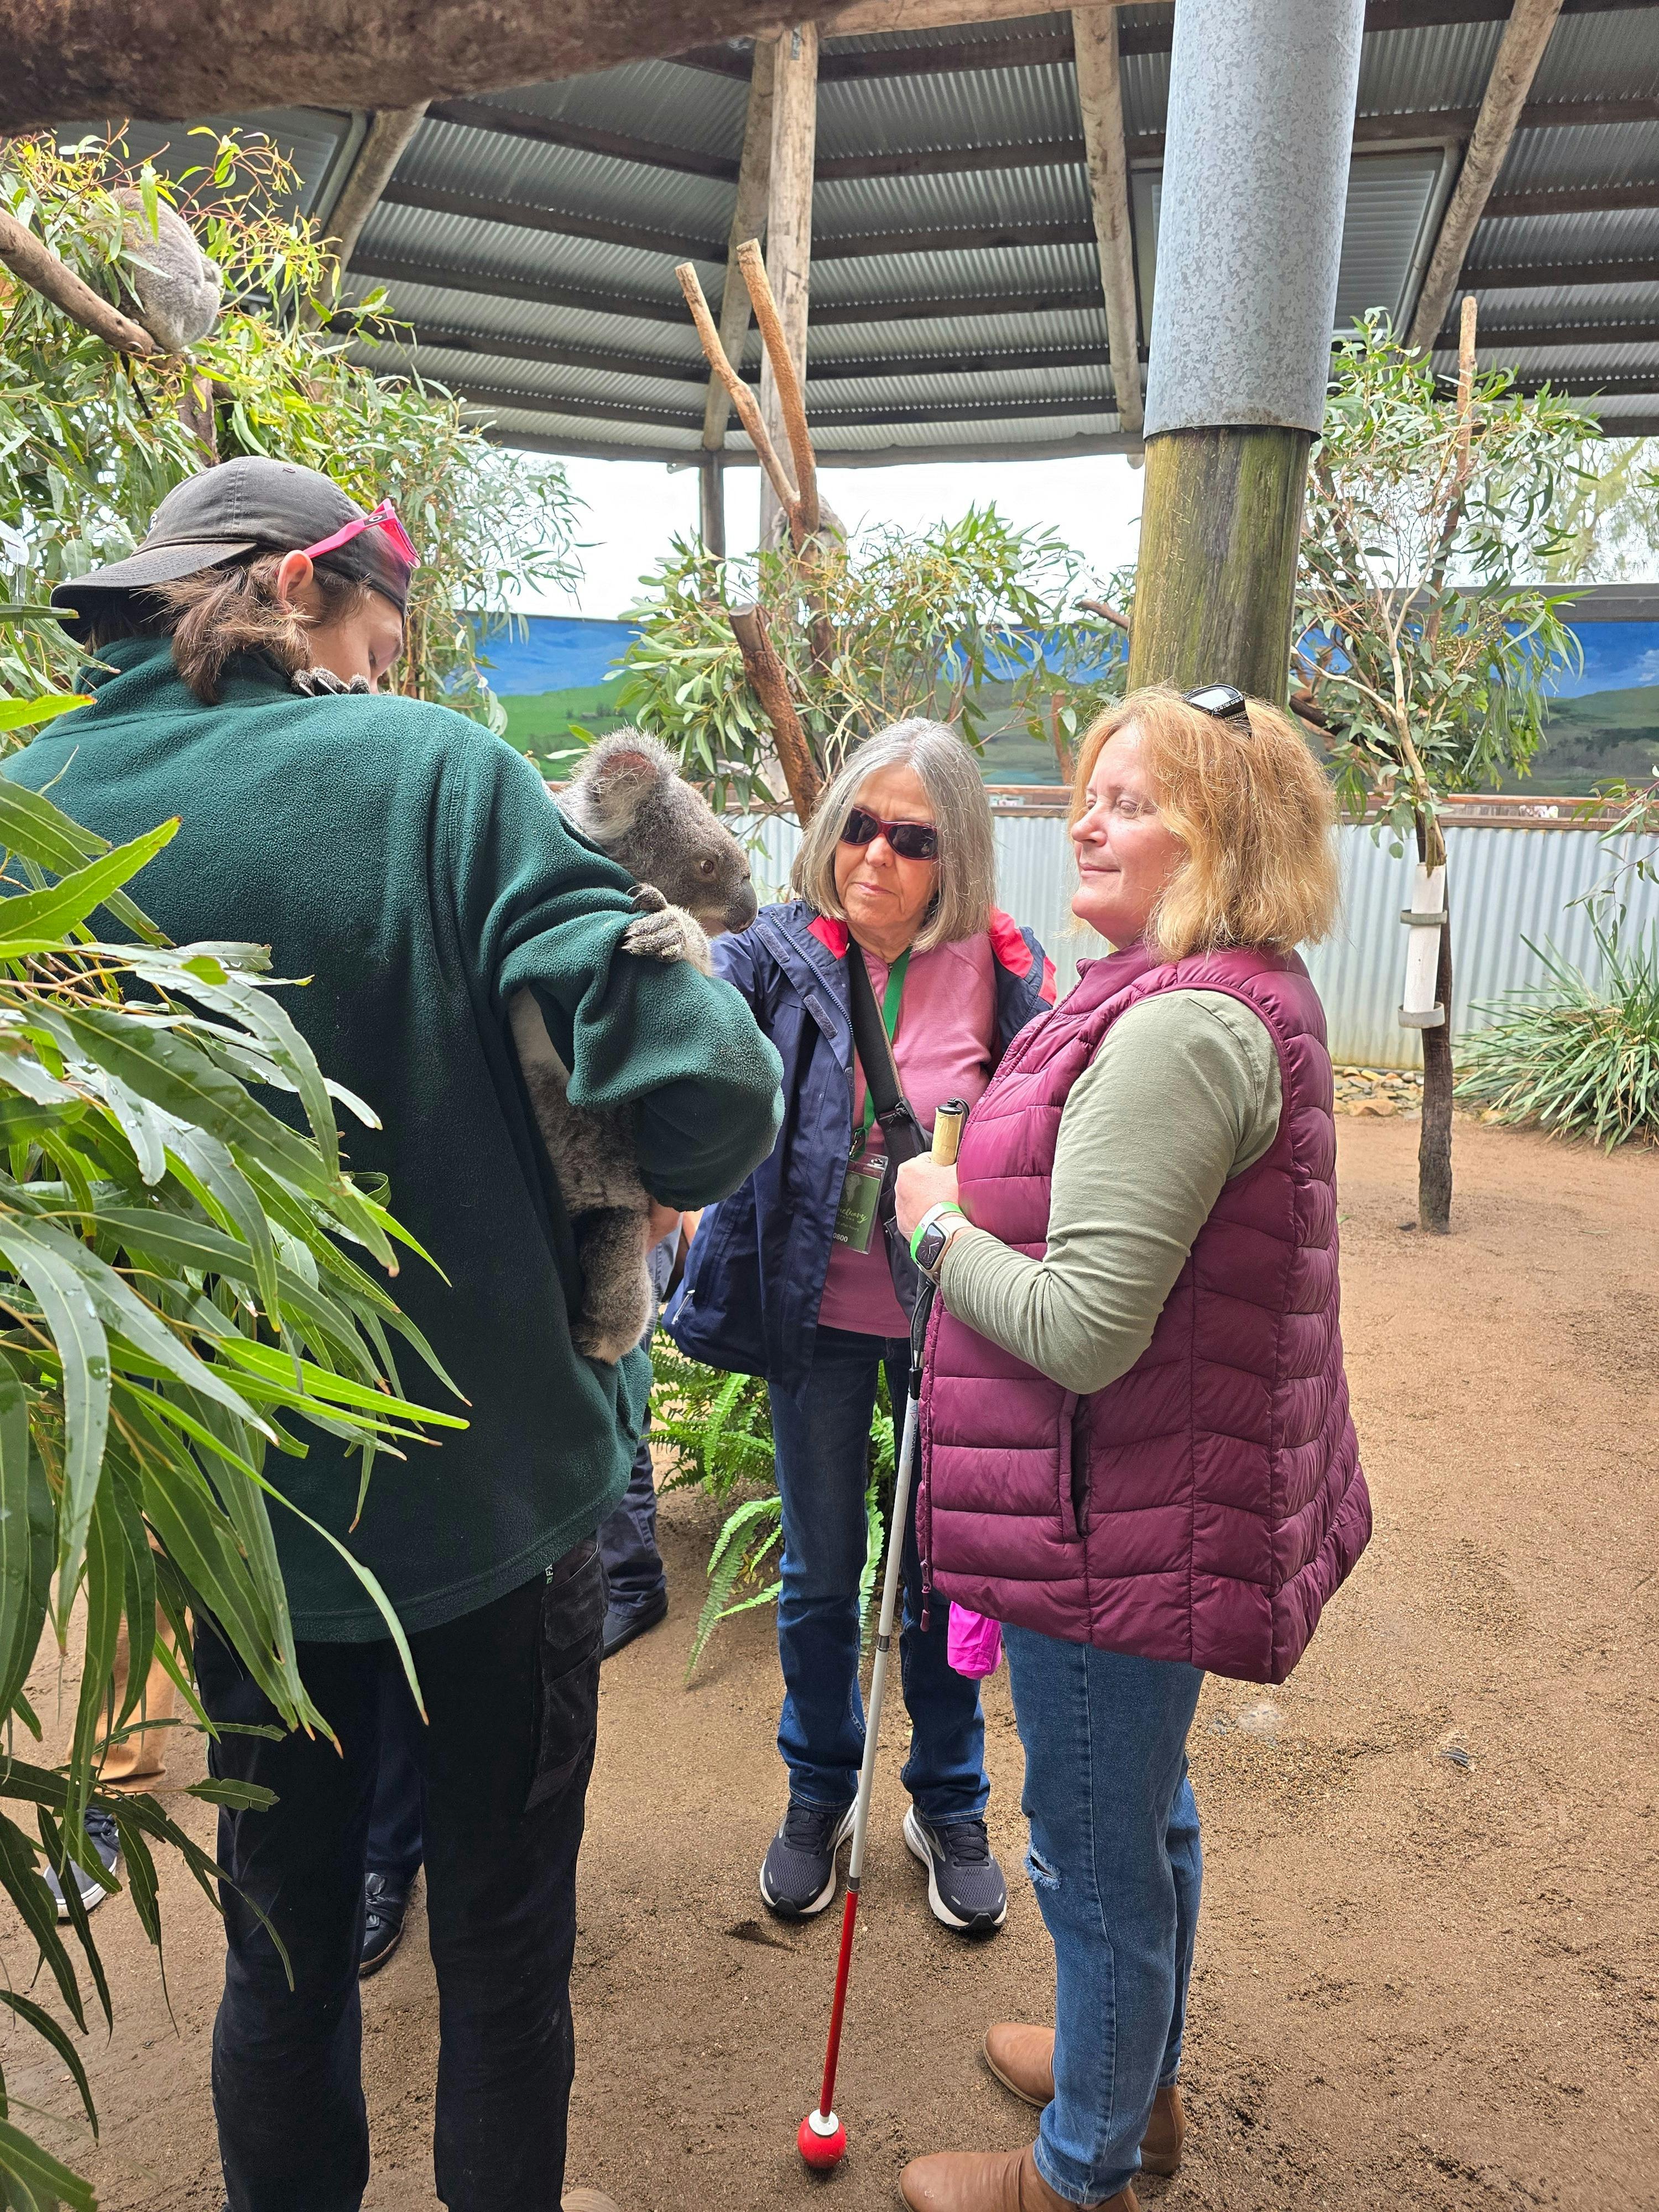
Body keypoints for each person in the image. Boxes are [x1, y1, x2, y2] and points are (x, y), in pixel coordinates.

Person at [13, 457, 782, 2212]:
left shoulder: (25, 801)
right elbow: (709, 1082)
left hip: (226, 1511)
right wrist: (653, 1174)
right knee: (504, 1949)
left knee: (280, 1947)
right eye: (379, 619)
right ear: (294, 588)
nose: (382, 659)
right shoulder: (428, 770)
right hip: (494, 1503)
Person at [893, 684, 1373, 2212]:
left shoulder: (1179, 1028)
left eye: (1134, 800)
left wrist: (936, 1226)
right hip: (1142, 1494)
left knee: (1092, 1855)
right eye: (1088, 792)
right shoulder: (1210, 989)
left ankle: (1079, 2169)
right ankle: (1132, 2081)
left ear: (1224, 839)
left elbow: (1089, 1327)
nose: (1086, 820)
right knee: (1142, 1815)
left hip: (1112, 1515)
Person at [667, 719, 1053, 1933]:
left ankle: (946, 1799)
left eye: (913, 836)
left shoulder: (1005, 969)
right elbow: (695, 1037)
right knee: (821, 1569)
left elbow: (1050, 1133)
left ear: (961, 858)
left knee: (944, 1569)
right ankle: (817, 1790)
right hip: (817, 1316)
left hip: (953, 1321)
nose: (875, 854)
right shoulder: (774, 958)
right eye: (859, 826)